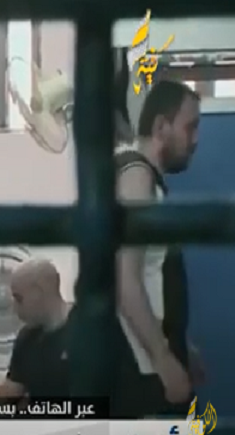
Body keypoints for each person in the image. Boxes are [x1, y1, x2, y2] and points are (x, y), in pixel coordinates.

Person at [113, 80, 202, 418]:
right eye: (190, 127)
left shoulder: (140, 176)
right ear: (162, 127)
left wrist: (180, 346)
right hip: (138, 370)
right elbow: (124, 279)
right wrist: (163, 358)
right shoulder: (136, 175)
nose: (195, 140)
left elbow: (153, 275)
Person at [0, 259, 72, 399]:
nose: (14, 308)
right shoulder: (26, 338)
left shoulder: (88, 334)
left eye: (19, 299)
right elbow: (8, 395)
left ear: (39, 292)